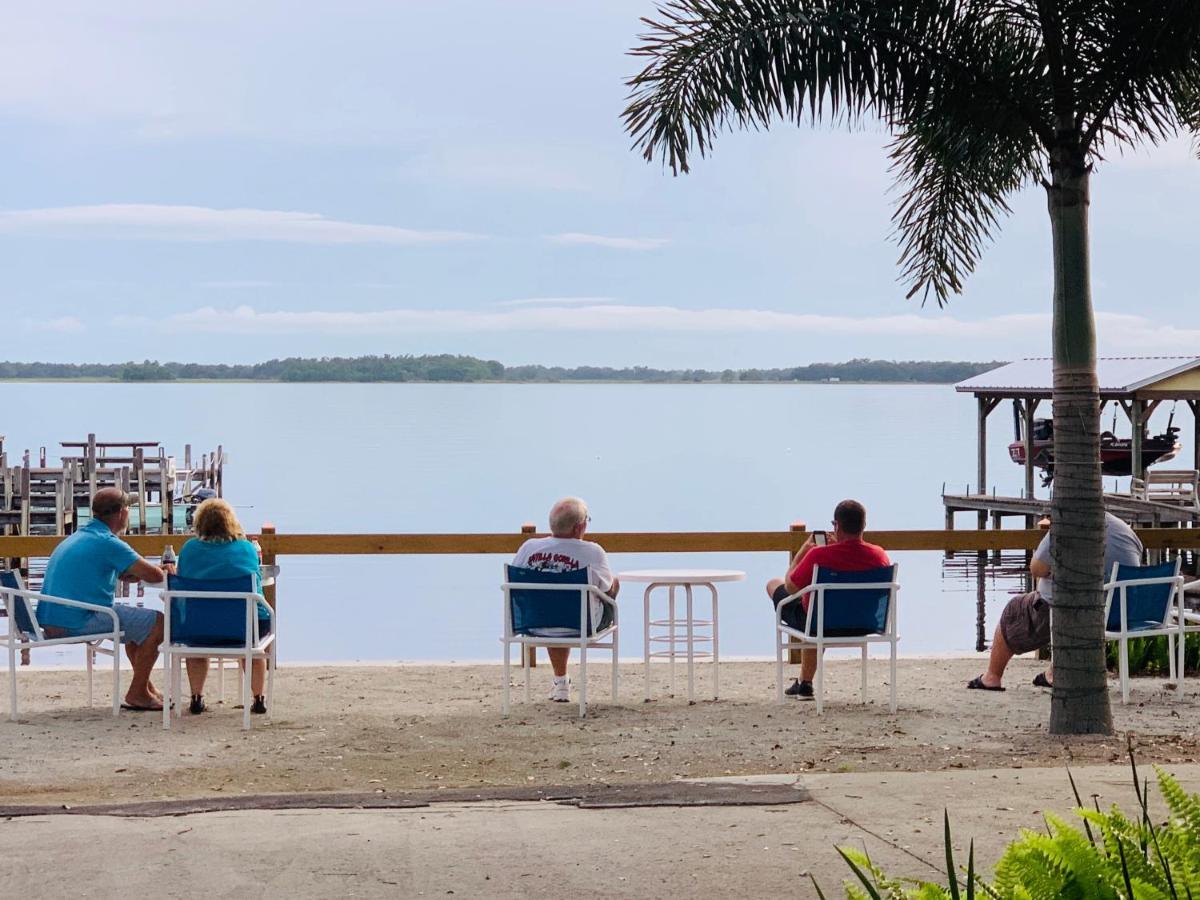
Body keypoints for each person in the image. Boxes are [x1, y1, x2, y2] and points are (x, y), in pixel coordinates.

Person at [967, 511, 1143, 691]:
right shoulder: (1125, 531)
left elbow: (1036, 568)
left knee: (1014, 609)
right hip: (1121, 613)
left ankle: (992, 677)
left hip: (1072, 612)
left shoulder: (1067, 526)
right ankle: (1054, 673)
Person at [38, 488, 171, 711]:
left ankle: (144, 688)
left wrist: (124, 573)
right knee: (159, 623)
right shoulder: (108, 542)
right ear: (121, 513)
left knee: (137, 624)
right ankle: (137, 692)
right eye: (129, 509)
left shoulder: (81, 535)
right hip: (76, 620)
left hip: (51, 618)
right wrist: (164, 568)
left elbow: (96, 570)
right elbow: (155, 575)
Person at [766, 499, 891, 699]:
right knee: (820, 607)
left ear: (837, 525)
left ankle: (805, 683)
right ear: (864, 526)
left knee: (775, 585)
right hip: (864, 623)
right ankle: (803, 683)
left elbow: (790, 586)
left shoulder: (819, 554)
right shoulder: (879, 555)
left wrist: (802, 552)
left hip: (821, 624)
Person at [512, 497, 619, 702]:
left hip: (535, 625)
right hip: (582, 626)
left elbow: (515, 583)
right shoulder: (592, 551)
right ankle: (561, 682)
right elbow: (606, 588)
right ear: (579, 527)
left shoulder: (529, 547)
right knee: (612, 584)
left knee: (551, 604)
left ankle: (561, 682)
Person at [175, 498, 272, 715]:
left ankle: (196, 697)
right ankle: (258, 698)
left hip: (199, 629)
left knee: (197, 646)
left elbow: (182, 577)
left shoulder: (189, 549)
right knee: (254, 648)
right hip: (243, 628)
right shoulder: (247, 549)